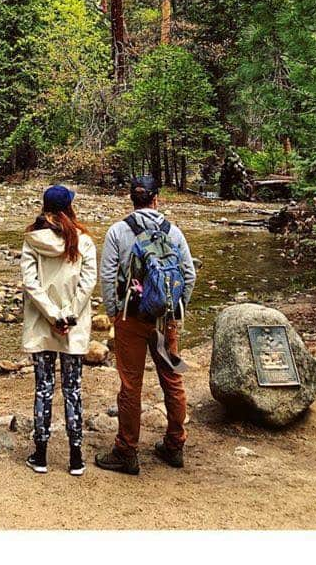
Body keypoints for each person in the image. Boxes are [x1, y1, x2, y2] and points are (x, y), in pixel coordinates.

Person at [95, 175, 197, 475]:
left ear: (132, 199)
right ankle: (175, 445)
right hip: (164, 320)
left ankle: (127, 452)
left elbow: (108, 276)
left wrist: (114, 312)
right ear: (156, 198)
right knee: (172, 379)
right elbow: (188, 275)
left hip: (131, 317)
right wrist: (176, 311)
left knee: (130, 385)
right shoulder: (173, 232)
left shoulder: (118, 231)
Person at [20, 183, 97, 476]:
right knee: (73, 389)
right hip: (72, 329)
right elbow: (87, 284)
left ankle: (40, 455)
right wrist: (68, 318)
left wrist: (52, 317)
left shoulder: (32, 240)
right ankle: (75, 458)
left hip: (41, 326)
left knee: (43, 389)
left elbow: (31, 285)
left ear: (45, 207)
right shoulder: (83, 241)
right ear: (69, 208)